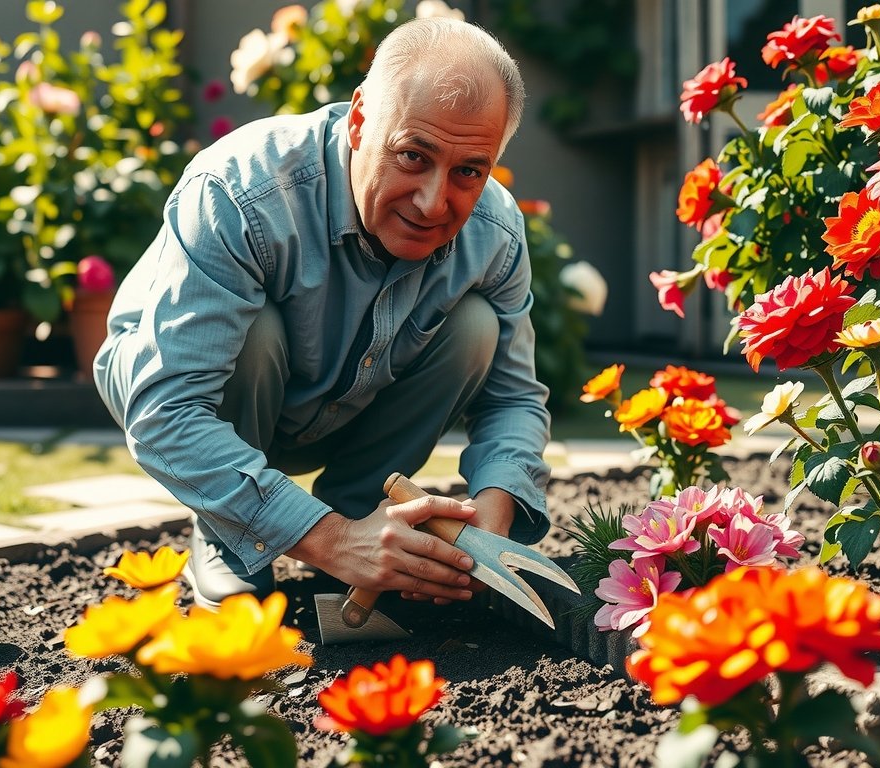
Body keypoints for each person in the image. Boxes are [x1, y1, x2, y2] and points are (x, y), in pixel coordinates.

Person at [93, 17, 552, 609]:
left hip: (349, 398)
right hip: (184, 385)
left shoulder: (494, 230)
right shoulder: (239, 190)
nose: (434, 201)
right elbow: (168, 411)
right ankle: (233, 534)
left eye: (469, 170)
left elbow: (513, 398)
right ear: (360, 120)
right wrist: (330, 542)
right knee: (256, 330)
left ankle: (359, 512)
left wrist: (495, 511)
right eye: (413, 156)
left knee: (475, 328)